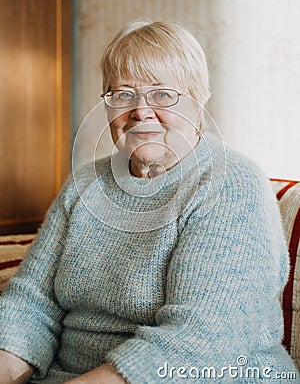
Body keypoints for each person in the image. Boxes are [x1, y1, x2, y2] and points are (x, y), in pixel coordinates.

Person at [0, 20, 298, 384]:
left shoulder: (231, 184)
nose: (141, 111)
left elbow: (202, 337)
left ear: (199, 100)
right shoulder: (87, 184)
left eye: (162, 94)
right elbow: (31, 303)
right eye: (123, 95)